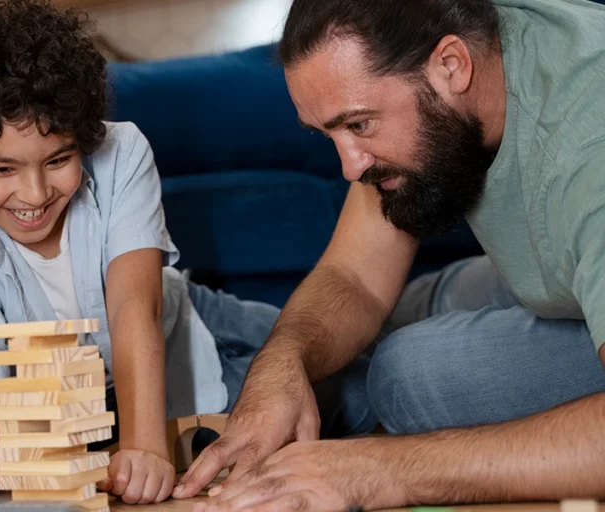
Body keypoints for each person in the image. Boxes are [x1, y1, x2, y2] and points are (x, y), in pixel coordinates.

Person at [0, 0, 374, 507]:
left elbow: (132, 309)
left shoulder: (122, 152)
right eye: (2, 169)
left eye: (59, 159)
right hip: (99, 401)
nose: (34, 195)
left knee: (352, 362)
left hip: (189, 322)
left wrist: (144, 446)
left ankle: (421, 296)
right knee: (331, 411)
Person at [171, 0, 605, 510]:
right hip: (555, 267)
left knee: (409, 372)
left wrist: (379, 468)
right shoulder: (467, 33)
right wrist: (281, 364)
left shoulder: (586, 151)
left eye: (359, 125)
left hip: (579, 236)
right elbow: (355, 276)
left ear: (452, 65)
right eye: (330, 133)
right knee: (383, 318)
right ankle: (210, 325)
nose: (350, 169)